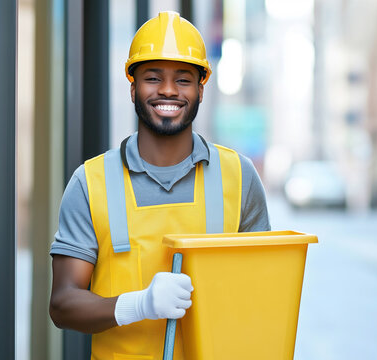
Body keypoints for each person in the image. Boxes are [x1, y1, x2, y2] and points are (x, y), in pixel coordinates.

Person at [49, 11, 270, 359]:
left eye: (183, 79)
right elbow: (62, 304)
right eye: (153, 77)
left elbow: (263, 296)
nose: (168, 90)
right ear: (133, 86)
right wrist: (140, 304)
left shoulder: (239, 178)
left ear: (201, 88)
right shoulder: (90, 183)